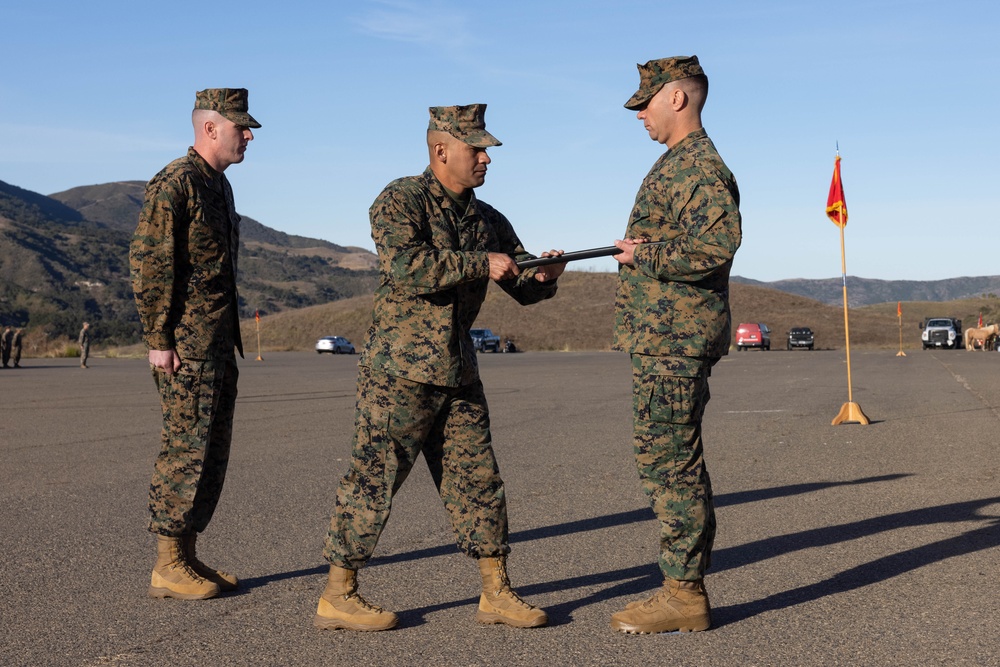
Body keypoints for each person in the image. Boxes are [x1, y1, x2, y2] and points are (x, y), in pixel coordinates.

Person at [315, 104, 566, 632]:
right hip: (399, 372)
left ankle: (496, 591)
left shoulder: (487, 218)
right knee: (374, 480)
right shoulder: (400, 199)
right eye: (476, 149)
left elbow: (517, 282)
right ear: (440, 151)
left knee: (480, 481)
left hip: (457, 371)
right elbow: (406, 267)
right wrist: (482, 262)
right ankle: (338, 593)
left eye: (487, 150)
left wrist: (543, 277)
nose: (485, 159)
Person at [609, 56, 742, 634]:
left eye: (646, 101)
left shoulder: (699, 169)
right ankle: (682, 587)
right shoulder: (675, 166)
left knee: (672, 464)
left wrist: (646, 254)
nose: (639, 113)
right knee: (666, 460)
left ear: (678, 99)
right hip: (664, 340)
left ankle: (683, 593)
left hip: (675, 343)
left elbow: (717, 246)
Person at [129, 88, 260, 601]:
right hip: (185, 345)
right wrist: (158, 338)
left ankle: (185, 552)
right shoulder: (175, 184)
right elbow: (150, 264)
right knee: (184, 450)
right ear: (209, 128)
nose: (248, 136)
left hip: (217, 342)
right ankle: (165, 563)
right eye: (240, 128)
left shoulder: (218, 186)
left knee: (211, 451)